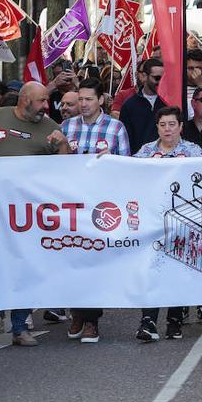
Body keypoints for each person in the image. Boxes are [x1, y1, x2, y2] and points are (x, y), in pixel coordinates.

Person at [0, 81, 70, 348]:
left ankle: (20, 327)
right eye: (42, 101)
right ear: (25, 100)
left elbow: (67, 170)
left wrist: (63, 144)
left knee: (26, 266)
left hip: (31, 213)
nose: (47, 106)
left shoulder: (52, 128)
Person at [59, 78, 130, 342]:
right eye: (81, 99)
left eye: (89, 99)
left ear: (101, 100)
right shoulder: (66, 126)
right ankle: (77, 311)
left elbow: (125, 166)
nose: (84, 104)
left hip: (101, 206)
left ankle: (91, 319)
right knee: (72, 258)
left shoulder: (115, 128)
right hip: (71, 203)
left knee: (93, 261)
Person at [135, 107, 202, 342]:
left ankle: (174, 321)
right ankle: (148, 321)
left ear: (180, 126)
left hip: (184, 220)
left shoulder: (193, 151)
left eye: (172, 124)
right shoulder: (146, 151)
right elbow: (126, 173)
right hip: (154, 219)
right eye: (163, 124)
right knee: (152, 269)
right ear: (157, 127)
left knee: (177, 269)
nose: (167, 129)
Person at [120, 57, 167, 153]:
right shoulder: (129, 105)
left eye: (163, 78)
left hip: (166, 159)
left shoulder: (169, 103)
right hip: (138, 160)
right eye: (157, 78)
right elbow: (125, 139)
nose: (160, 82)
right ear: (145, 76)